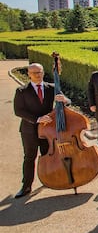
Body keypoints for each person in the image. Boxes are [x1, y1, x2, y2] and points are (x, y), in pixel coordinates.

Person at [13, 63, 71, 198]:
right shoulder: (21, 91)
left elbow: (67, 102)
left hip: (48, 131)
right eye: (34, 73)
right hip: (29, 130)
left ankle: (50, 179)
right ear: (29, 74)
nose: (37, 75)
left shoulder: (52, 87)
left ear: (43, 73)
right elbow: (18, 111)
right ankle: (26, 186)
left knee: (48, 155)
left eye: (39, 72)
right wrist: (37, 119)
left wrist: (65, 100)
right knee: (29, 157)